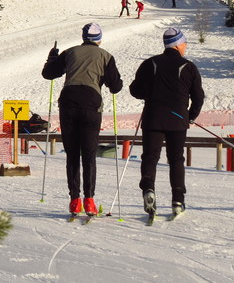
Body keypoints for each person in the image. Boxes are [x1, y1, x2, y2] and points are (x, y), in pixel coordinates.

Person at [42, 23, 123, 217]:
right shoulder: (106, 56)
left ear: (84, 37)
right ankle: (89, 200)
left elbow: (49, 74)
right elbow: (116, 87)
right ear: (99, 39)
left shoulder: (70, 53)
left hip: (68, 102)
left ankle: (74, 201)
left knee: (72, 154)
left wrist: (51, 57)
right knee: (88, 154)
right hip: (91, 105)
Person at [130, 27, 204, 218]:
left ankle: (148, 189)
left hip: (153, 116)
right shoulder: (189, 67)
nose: (185, 47)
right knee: (176, 159)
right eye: (184, 43)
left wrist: (150, 93)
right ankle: (178, 200)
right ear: (178, 45)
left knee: (150, 157)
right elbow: (198, 97)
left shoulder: (150, 63)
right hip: (178, 119)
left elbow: (135, 90)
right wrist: (191, 116)